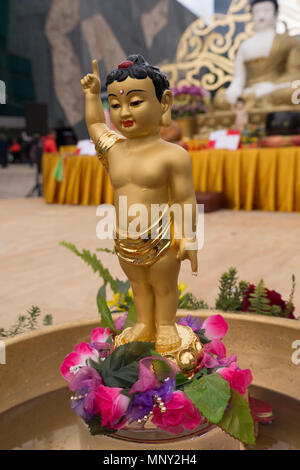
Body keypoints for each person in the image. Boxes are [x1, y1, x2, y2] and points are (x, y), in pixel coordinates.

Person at [81, 55, 198, 352]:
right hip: (125, 238)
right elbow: (95, 122)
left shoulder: (173, 155)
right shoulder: (114, 148)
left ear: (164, 103)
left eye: (135, 102)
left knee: (163, 286)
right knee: (139, 286)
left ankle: (166, 324)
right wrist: (93, 96)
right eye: (115, 104)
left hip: (162, 237)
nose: (123, 113)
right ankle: (145, 322)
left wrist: (187, 235)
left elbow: (185, 198)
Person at [214, 0, 300, 109]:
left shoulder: (288, 41)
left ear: (276, 14)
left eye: (266, 10)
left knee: (295, 92)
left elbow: (296, 74)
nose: (261, 15)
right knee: (220, 99)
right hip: (249, 92)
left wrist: (273, 86)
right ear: (252, 16)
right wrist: (234, 90)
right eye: (257, 11)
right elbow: (238, 79)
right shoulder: (244, 45)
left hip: (277, 89)